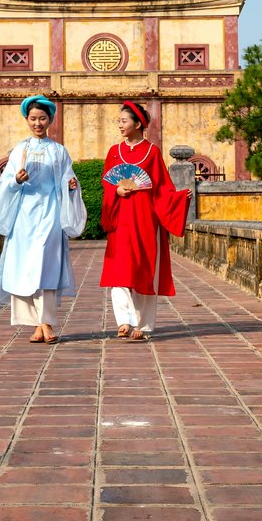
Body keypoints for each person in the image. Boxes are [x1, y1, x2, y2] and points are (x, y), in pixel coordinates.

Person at [0, 95, 86, 344]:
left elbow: (67, 179)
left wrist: (71, 186)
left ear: (50, 120)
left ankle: (47, 322)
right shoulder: (20, 150)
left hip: (50, 214)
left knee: (47, 266)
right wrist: (16, 180)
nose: (38, 123)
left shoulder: (59, 151)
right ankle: (37, 324)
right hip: (23, 217)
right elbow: (4, 184)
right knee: (24, 268)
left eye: (42, 118)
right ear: (26, 120)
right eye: (33, 119)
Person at [99, 101, 190, 341]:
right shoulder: (113, 152)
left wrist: (179, 198)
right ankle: (124, 321)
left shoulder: (152, 152)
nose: (120, 125)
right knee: (119, 271)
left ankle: (144, 325)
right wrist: (116, 191)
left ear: (138, 124)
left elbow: (162, 188)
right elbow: (107, 183)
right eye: (118, 121)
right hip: (121, 219)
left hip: (145, 220)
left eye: (124, 121)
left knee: (144, 270)